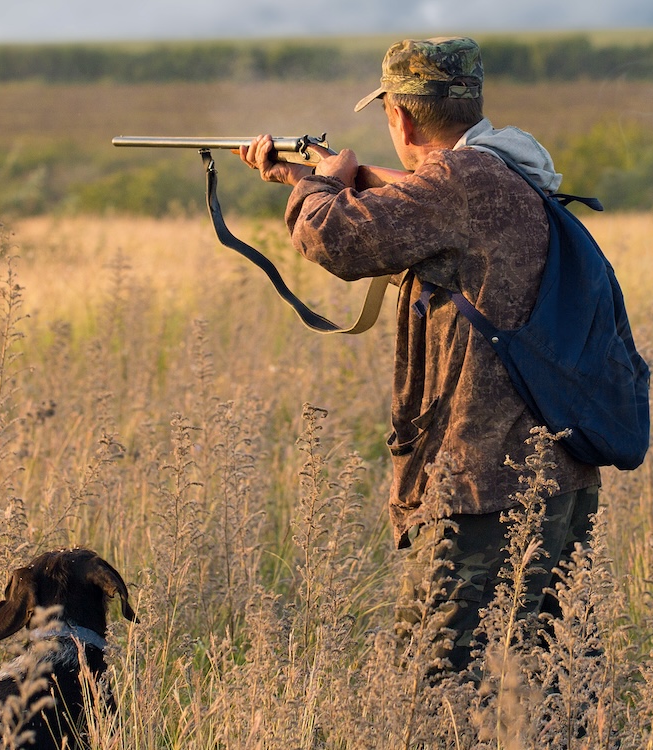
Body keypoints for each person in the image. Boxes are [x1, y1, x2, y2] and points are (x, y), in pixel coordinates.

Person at [237, 37, 601, 677]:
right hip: (553, 476)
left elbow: (338, 240)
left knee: (436, 693)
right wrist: (310, 177)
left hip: (482, 488)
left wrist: (315, 184)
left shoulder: (458, 183)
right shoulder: (507, 171)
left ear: (400, 117)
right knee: (549, 686)